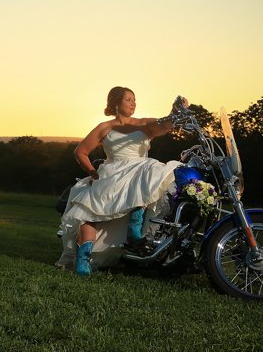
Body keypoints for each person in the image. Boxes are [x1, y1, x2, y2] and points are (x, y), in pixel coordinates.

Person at [56, 87, 184, 276]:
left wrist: (176, 110)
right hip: (111, 175)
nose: (133, 103)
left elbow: (165, 125)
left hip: (139, 173)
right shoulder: (104, 127)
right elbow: (80, 152)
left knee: (152, 168)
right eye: (128, 99)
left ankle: (135, 227)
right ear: (115, 103)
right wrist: (92, 172)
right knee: (88, 213)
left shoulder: (144, 124)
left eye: (134, 99)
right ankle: (83, 261)